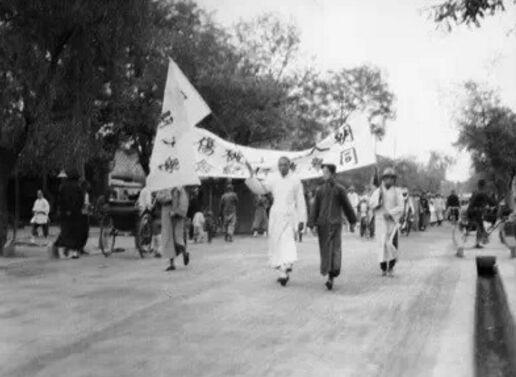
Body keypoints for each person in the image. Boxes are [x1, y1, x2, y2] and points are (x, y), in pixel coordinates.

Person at [245, 157, 307, 286]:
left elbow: (300, 200)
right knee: (277, 243)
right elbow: (261, 189)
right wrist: (252, 176)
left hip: (290, 214)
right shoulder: (273, 178)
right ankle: (282, 270)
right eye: (280, 165)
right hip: (276, 214)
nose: (282, 167)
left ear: (289, 165)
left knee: (287, 241)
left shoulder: (296, 180)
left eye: (285, 165)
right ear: (278, 166)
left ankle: (285, 270)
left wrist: (302, 219)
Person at [308, 163, 357, 290]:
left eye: (327, 172)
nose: (324, 175)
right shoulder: (319, 190)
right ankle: (329, 276)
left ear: (333, 174)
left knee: (335, 250)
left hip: (335, 225)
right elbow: (315, 208)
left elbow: (347, 206)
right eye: (323, 172)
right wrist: (312, 223)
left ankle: (332, 277)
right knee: (325, 252)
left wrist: (352, 221)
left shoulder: (340, 189)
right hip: (323, 225)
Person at [369, 167, 404, 277]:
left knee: (391, 244)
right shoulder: (378, 191)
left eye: (392, 178)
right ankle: (383, 267)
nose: (389, 180)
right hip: (380, 222)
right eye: (387, 178)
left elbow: (401, 207)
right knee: (381, 245)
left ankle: (391, 267)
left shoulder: (397, 191)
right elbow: (371, 204)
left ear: (394, 179)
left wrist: (391, 213)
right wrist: (377, 203)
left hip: (392, 222)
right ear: (383, 179)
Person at [53, 170, 84, 259]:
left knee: (65, 231)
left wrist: (65, 210)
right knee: (75, 232)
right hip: (75, 214)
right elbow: (80, 201)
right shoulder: (78, 188)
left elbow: (60, 200)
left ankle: (59, 248)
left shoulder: (63, 187)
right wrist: (74, 210)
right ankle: (74, 252)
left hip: (64, 213)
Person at [158, 186, 190, 271]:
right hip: (166, 214)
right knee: (168, 239)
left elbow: (184, 203)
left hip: (176, 216)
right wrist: (167, 198)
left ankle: (184, 252)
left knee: (177, 237)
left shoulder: (179, 189)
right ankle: (172, 263)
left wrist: (177, 212)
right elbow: (159, 198)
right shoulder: (163, 188)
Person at [468, 179, 495, 248]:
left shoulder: (475, 192)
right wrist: (495, 204)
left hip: (472, 211)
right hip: (476, 212)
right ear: (483, 185)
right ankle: (482, 240)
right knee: (481, 227)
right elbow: (489, 201)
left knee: (480, 226)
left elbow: (472, 201)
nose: (486, 186)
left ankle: (479, 242)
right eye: (485, 185)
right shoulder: (482, 193)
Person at [137, 186, 162, 257]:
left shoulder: (143, 190)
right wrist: (153, 206)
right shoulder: (148, 191)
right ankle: (148, 245)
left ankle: (150, 246)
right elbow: (148, 204)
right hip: (145, 212)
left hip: (140, 210)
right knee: (151, 229)